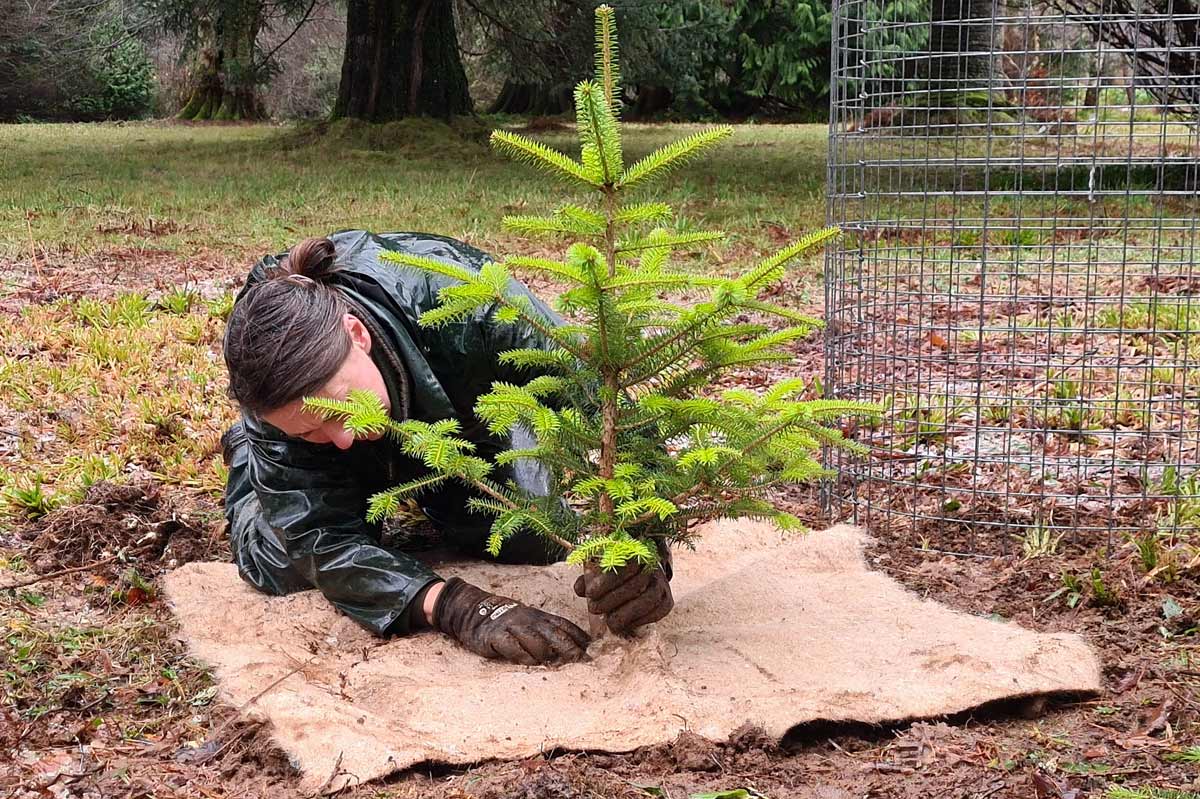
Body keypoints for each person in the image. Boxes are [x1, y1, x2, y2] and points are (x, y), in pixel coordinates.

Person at [219, 230, 674, 667]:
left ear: (357, 334)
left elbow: (603, 399)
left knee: (527, 534)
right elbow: (322, 539)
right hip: (308, 462)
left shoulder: (471, 303)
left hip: (461, 427)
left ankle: (439, 487)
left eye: (339, 411)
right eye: (310, 430)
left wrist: (645, 542)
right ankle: (248, 456)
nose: (342, 439)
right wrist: (453, 606)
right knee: (282, 567)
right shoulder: (273, 390)